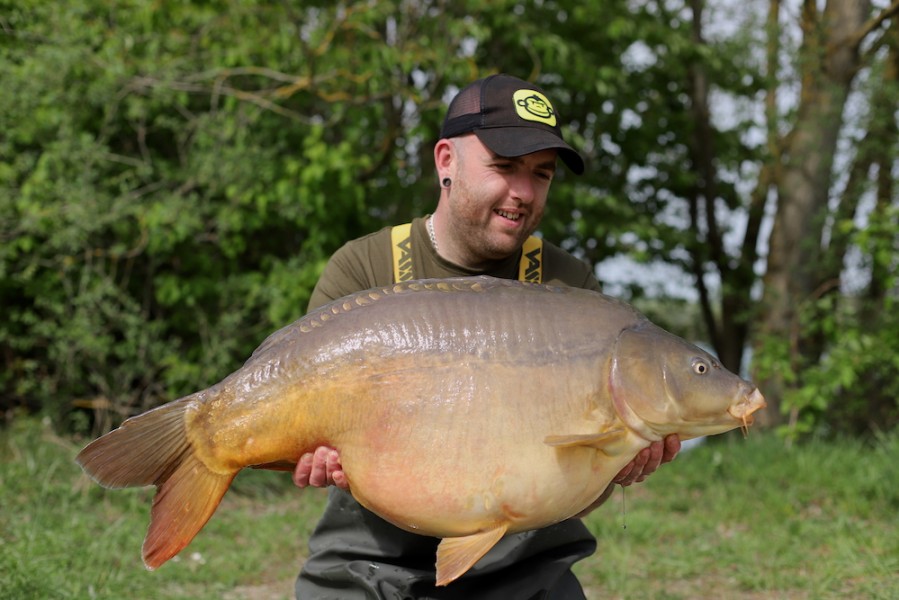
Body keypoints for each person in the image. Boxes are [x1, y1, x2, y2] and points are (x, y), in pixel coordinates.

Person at [292, 73, 681, 599]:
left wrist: (612, 467)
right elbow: (305, 436)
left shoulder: (570, 289)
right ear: (446, 160)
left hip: (525, 571)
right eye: (503, 167)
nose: (522, 193)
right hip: (369, 565)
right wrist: (306, 454)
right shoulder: (365, 270)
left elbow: (570, 483)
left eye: (541, 175)